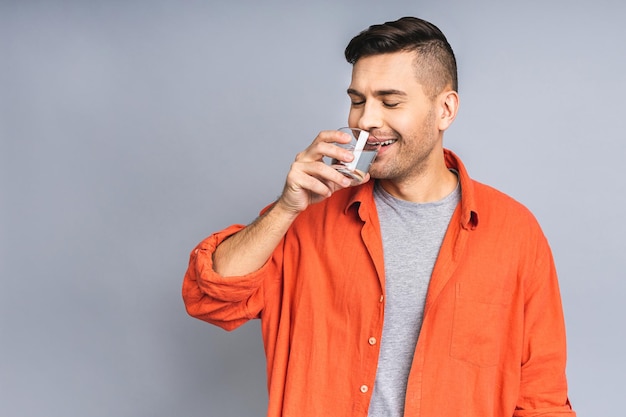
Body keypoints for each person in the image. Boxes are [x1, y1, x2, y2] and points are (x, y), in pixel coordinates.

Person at [182, 16, 576, 417]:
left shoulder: (514, 233)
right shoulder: (307, 214)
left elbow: (542, 399)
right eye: (357, 100)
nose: (365, 121)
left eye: (390, 102)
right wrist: (286, 208)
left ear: (445, 109)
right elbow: (210, 299)